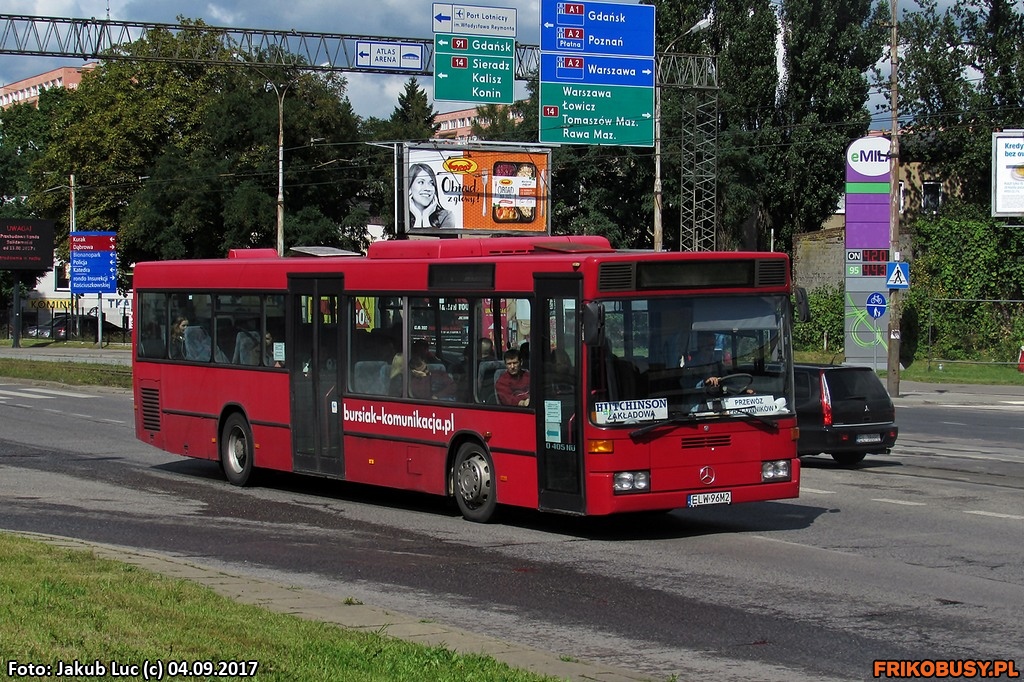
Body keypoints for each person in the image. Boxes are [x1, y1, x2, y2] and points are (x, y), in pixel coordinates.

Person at [408, 163, 455, 229]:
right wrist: (418, 217)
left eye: (431, 183)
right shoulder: (400, 216)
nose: (427, 188)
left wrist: (425, 216)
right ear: (410, 188)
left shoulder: (446, 216)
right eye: (421, 182)